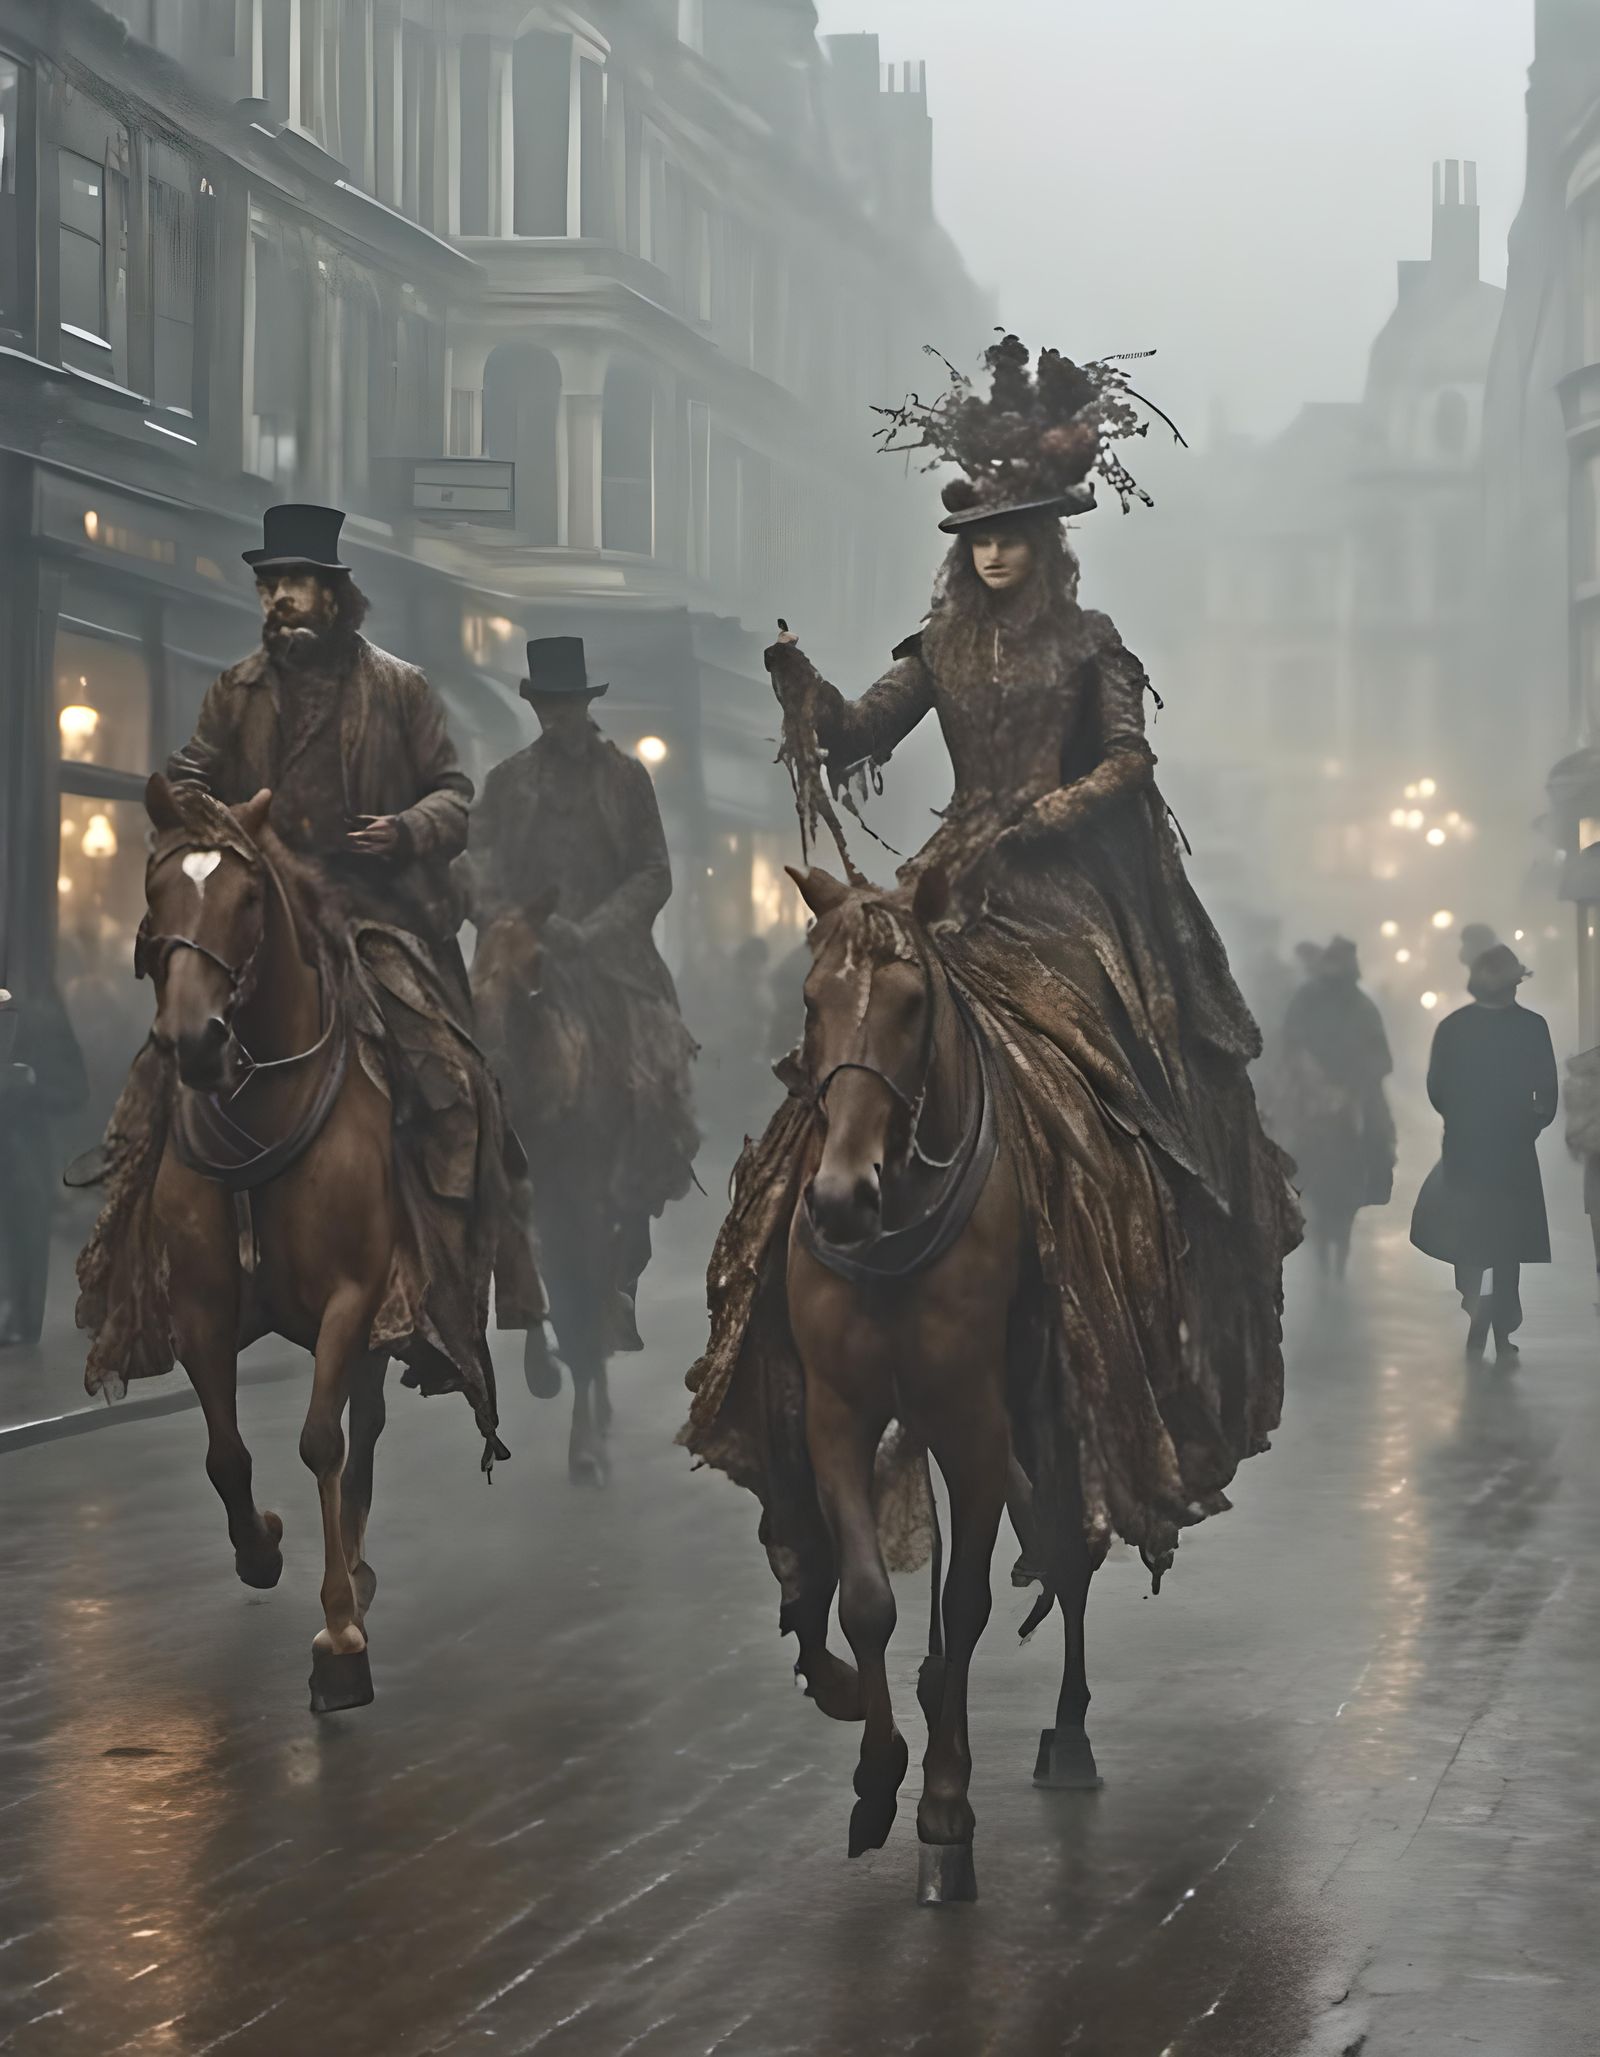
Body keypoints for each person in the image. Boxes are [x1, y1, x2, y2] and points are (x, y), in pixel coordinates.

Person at [685, 334, 1301, 1595]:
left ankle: (1118, 1243)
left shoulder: (1091, 643)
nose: (992, 550)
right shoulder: (939, 646)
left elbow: (1132, 761)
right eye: (976, 532)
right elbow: (861, 731)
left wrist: (1053, 810)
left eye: (1014, 531)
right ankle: (785, 1275)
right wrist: (805, 693)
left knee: (1100, 1075)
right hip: (958, 876)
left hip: (1068, 887)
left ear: (1050, 538)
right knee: (859, 1042)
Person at [75, 503, 548, 1428]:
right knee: (159, 1069)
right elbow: (194, 776)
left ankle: (441, 1285)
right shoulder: (235, 691)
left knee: (449, 1075)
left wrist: (408, 828)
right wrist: (196, 813)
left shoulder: (400, 690)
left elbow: (456, 795)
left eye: (295, 583)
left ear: (334, 596)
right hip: (256, 915)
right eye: (268, 585)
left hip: (375, 914)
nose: (279, 598)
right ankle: (144, 1277)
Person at [468, 637, 698, 1363]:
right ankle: (482, 1215)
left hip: (610, 962)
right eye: (547, 705)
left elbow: (654, 872)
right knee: (476, 1071)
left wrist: (593, 931)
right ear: (536, 706)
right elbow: (475, 867)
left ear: (585, 705)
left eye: (568, 705)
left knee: (655, 1069)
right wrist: (515, 922)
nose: (558, 716)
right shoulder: (507, 783)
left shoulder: (626, 779)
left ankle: (635, 1208)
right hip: (524, 954)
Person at [1410, 944, 1557, 1363]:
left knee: (1495, 1241)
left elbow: (1544, 1093)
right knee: (1484, 1238)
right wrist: (1526, 1123)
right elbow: (1440, 1087)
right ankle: (1488, 1314)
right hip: (1485, 1147)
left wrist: (1524, 1123)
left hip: (1489, 1147)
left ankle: (1494, 1318)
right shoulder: (1470, 1027)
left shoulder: (1466, 1026)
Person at [1278, 937, 1396, 1279]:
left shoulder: (1363, 1007)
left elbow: (1382, 1058)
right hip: (1307, 1093)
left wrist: (1354, 1086)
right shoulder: (1305, 1000)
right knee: (1282, 1140)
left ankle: (1372, 1183)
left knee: (1378, 1138)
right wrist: (1310, 1077)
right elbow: (1290, 1040)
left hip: (1355, 1095)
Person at [0, 982, 88, 1347]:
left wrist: (27, 1085)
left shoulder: (40, 1020)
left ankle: (20, 1322)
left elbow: (74, 1089)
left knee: (24, 1240)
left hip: (24, 1160)